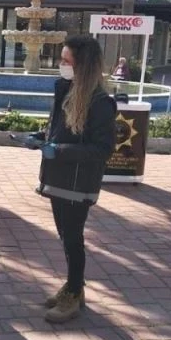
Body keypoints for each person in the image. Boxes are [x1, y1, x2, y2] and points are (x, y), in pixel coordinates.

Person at [29, 36, 117, 324]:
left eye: (67, 61)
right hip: (58, 178)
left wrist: (60, 151)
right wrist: (39, 139)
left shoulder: (100, 102)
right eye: (62, 59)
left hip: (79, 184)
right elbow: (58, 131)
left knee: (73, 238)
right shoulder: (65, 89)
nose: (61, 65)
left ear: (83, 65)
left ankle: (74, 293)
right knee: (66, 237)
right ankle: (73, 287)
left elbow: (102, 149)